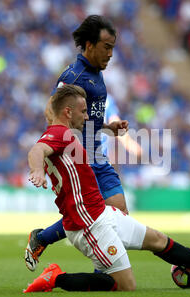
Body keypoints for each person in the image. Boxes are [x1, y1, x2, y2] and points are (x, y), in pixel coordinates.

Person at [24, 84, 190, 292]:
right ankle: (54, 278)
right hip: (87, 225)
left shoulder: (67, 131)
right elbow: (37, 150)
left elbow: (62, 130)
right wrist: (37, 170)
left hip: (101, 212)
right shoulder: (57, 134)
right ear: (68, 112)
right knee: (125, 285)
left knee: (158, 240)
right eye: (83, 111)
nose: (87, 115)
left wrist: (108, 128)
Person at [25, 15, 134, 272]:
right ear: (89, 45)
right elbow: (51, 112)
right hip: (79, 159)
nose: (110, 53)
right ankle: (104, 277)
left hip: (97, 153)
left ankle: (43, 238)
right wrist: (66, 146)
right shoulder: (74, 75)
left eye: (112, 48)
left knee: (118, 216)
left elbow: (86, 118)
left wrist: (108, 127)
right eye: (106, 47)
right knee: (96, 218)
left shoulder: (96, 73)